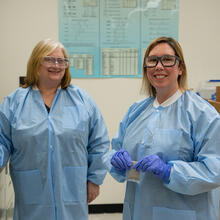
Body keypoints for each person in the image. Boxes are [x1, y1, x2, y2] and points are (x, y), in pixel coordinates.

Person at [106, 36, 220, 220]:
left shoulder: (202, 114)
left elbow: (215, 170)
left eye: (167, 59)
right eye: (152, 61)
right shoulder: (136, 111)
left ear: (180, 68)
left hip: (184, 213)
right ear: (146, 69)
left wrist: (170, 171)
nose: (159, 66)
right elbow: (115, 149)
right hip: (138, 211)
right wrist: (115, 159)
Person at [0, 39, 109, 220]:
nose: (57, 65)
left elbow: (99, 142)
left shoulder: (82, 101)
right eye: (50, 59)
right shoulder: (15, 103)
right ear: (36, 63)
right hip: (31, 191)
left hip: (72, 189)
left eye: (62, 61)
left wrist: (95, 179)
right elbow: (2, 141)